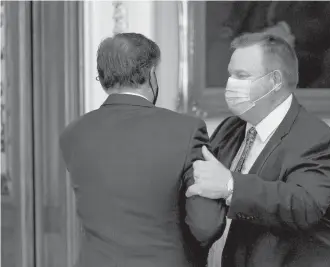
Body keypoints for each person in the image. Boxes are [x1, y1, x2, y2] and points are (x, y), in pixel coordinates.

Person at [59, 33, 226, 267]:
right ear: (150, 74)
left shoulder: (73, 133)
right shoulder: (187, 130)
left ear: (103, 77)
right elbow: (206, 225)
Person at [186, 33, 330, 267]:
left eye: (242, 76)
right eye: (230, 74)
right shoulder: (230, 127)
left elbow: (305, 205)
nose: (231, 84)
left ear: (274, 82)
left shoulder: (317, 138)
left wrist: (230, 185)